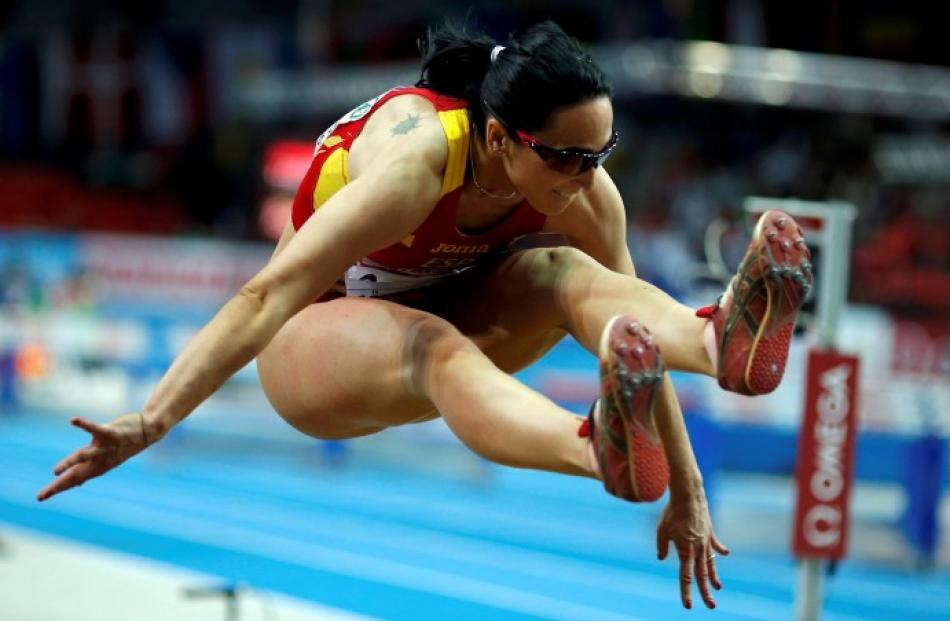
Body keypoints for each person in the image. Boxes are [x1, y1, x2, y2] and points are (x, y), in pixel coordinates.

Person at [36, 21, 812, 611]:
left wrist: (689, 485)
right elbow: (265, 295)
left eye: (600, 155)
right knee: (431, 343)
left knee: (570, 271)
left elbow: (636, 341)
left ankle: (721, 339)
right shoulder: (413, 167)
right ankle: (596, 453)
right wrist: (151, 420)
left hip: (457, 307)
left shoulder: (584, 189)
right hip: (319, 342)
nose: (584, 179)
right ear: (503, 139)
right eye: (566, 159)